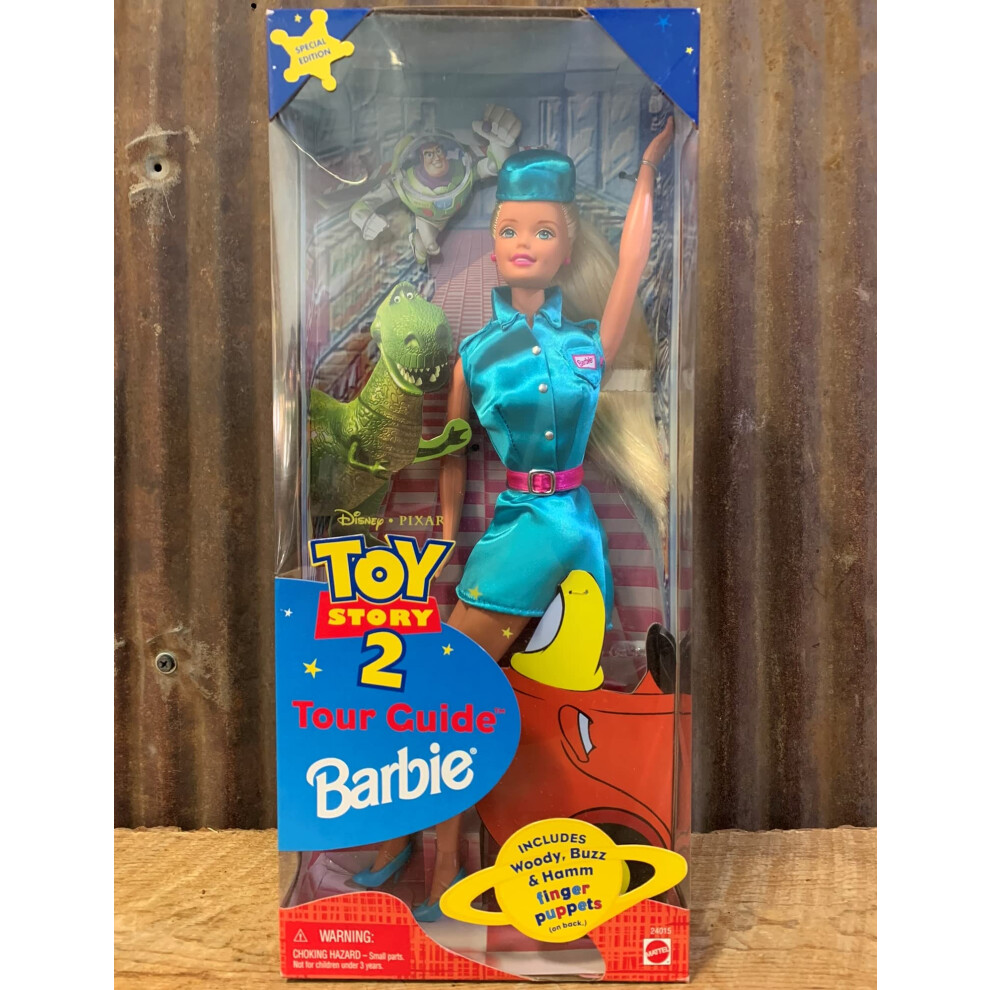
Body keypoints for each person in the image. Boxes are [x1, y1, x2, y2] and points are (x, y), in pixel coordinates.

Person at [353, 124, 674, 921]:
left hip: (577, 534)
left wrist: (648, 171)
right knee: (453, 695)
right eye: (509, 230)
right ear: (492, 245)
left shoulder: (587, 345)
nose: (524, 244)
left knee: (554, 706)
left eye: (543, 232)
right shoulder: (476, 352)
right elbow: (454, 452)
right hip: (520, 529)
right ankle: (434, 863)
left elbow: (631, 266)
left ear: (567, 247)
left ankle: (552, 870)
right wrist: (444, 536)